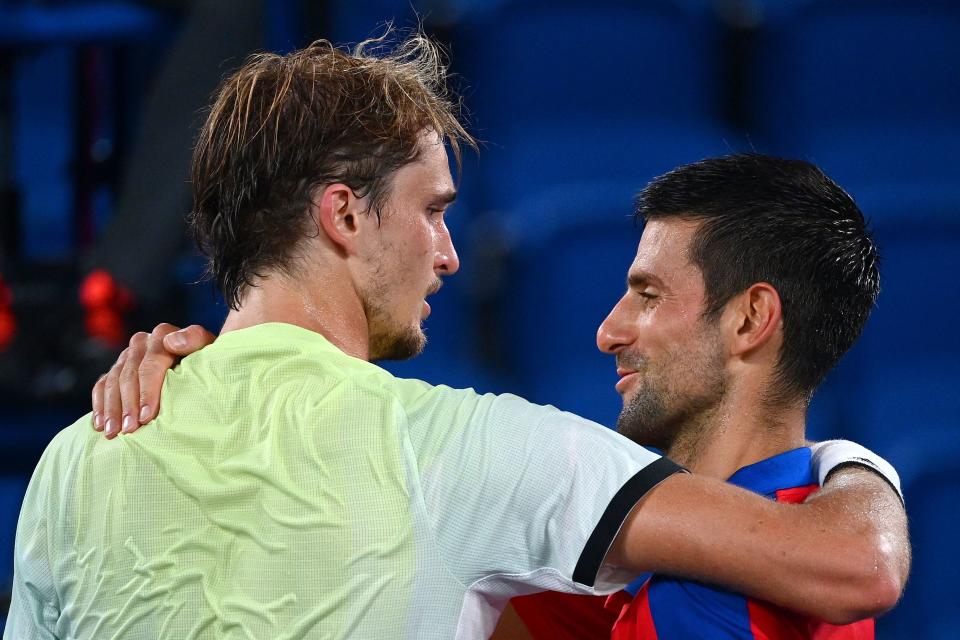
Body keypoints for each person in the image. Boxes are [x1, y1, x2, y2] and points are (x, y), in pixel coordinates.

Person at [7, 34, 907, 640]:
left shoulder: (79, 459)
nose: (447, 255)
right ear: (345, 215)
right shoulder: (466, 454)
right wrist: (857, 461)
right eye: (433, 211)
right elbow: (854, 563)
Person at [502, 154, 894, 639]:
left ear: (749, 320)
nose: (608, 333)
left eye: (648, 296)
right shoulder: (811, 532)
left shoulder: (702, 597)